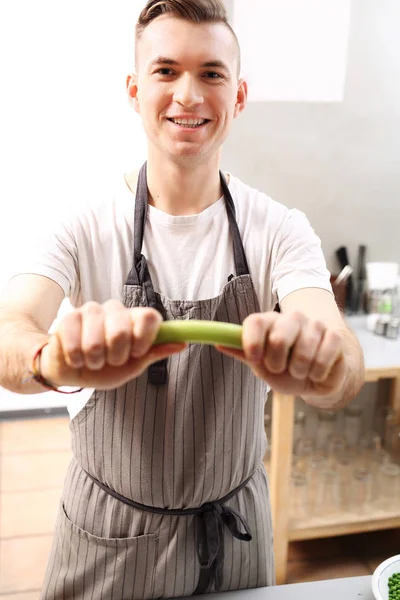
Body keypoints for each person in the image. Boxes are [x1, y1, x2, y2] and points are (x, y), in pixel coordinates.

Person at [0, 0, 364, 598]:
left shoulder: (280, 229)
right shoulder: (83, 223)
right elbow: (12, 326)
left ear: (239, 95)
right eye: (166, 70)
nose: (189, 95)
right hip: (106, 537)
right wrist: (51, 361)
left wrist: (321, 364)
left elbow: (343, 357)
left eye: (211, 73)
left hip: (236, 533)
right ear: (134, 89)